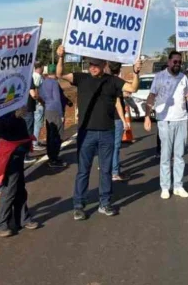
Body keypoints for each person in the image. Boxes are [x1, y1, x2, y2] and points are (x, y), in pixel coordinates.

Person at [55, 45, 141, 221]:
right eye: (91, 64)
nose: (93, 67)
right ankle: (79, 206)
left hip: (107, 133)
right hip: (86, 133)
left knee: (106, 170)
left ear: (104, 65)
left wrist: (136, 72)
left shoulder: (113, 81)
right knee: (83, 171)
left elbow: (133, 88)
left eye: (96, 64)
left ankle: (105, 203)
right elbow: (60, 74)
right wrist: (61, 57)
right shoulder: (81, 78)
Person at [144, 51, 188, 199]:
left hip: (181, 119)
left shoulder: (183, 78)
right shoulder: (159, 77)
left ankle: (178, 186)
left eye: (179, 62)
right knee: (166, 156)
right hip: (164, 120)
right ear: (169, 62)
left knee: (180, 155)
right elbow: (151, 96)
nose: (177, 64)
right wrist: (147, 116)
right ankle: (165, 187)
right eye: (175, 61)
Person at [0, 110, 39, 237]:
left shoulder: (12, 106)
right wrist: (15, 116)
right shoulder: (1, 109)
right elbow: (0, 129)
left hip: (18, 151)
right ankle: (0, 223)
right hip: (10, 153)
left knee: (20, 187)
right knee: (10, 189)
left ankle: (22, 218)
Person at [41, 64, 70, 168]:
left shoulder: (44, 82)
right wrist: (61, 114)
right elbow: (57, 99)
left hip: (48, 109)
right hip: (55, 110)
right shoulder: (54, 83)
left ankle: (51, 157)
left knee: (50, 134)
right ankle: (54, 158)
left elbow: (41, 96)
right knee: (58, 134)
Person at [107, 62, 130, 182]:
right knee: (115, 146)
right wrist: (124, 120)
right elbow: (118, 103)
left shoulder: (105, 81)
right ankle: (115, 172)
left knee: (107, 145)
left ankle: (107, 167)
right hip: (116, 118)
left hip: (107, 118)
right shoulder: (118, 82)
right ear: (119, 69)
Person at [32, 62, 46, 150]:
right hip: (38, 104)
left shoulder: (33, 75)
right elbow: (36, 90)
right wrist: (41, 101)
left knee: (34, 123)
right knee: (37, 123)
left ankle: (34, 141)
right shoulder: (37, 76)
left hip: (35, 104)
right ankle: (34, 143)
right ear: (41, 67)